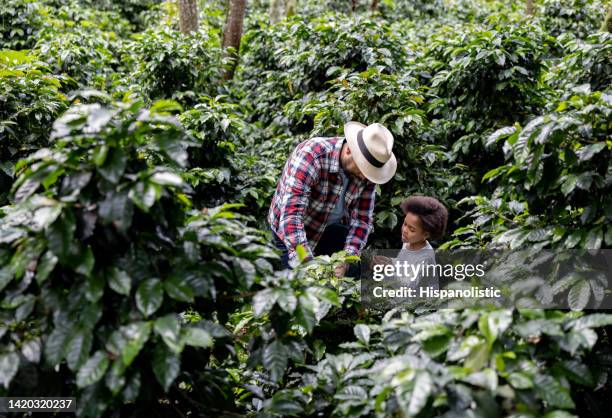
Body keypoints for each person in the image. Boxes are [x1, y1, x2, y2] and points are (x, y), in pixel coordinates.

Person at [268, 122, 397, 276]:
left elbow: (362, 221)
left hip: (329, 228)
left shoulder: (366, 175)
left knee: (350, 275)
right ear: (349, 150)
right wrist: (309, 266)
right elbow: (291, 218)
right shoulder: (312, 155)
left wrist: (346, 260)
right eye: (364, 168)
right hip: (289, 233)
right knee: (300, 287)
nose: (365, 177)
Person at [372, 196, 448, 306]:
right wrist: (390, 262)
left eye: (411, 229)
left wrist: (389, 270)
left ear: (425, 234)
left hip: (418, 307)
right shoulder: (408, 243)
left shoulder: (426, 258)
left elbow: (409, 286)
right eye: (404, 224)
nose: (405, 230)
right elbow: (403, 264)